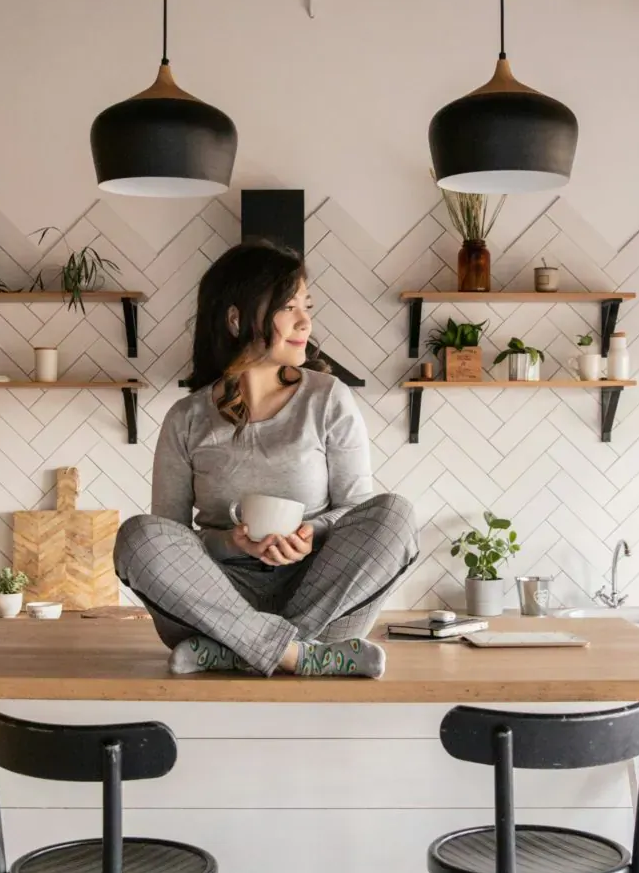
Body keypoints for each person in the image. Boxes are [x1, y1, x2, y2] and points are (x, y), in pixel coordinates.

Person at [115, 241, 418, 677]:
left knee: (395, 515)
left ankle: (243, 651)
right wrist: (230, 542)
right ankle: (299, 656)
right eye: (287, 307)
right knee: (138, 535)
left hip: (317, 595)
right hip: (219, 599)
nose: (305, 321)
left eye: (306, 306)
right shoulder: (186, 418)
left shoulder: (327, 397)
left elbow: (357, 511)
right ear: (237, 318)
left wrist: (312, 533)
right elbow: (171, 538)